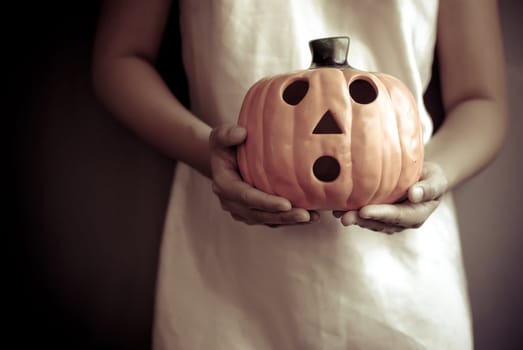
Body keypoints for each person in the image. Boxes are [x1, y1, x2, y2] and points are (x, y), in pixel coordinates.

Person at [92, 0, 508, 348]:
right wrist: (209, 154)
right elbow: (119, 58)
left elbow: (481, 99)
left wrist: (430, 178)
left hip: (402, 284)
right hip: (229, 268)